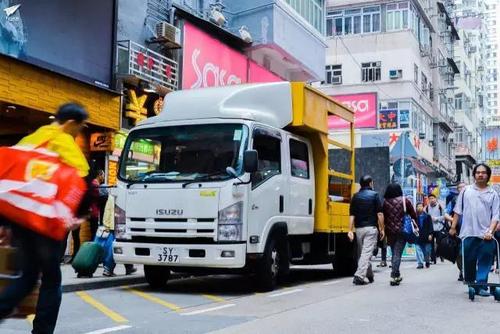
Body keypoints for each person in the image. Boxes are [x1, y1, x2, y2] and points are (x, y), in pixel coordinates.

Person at [0, 103, 89, 334]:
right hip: (46, 222)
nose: (79, 132)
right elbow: (83, 181)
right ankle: (42, 331)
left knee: (27, 276)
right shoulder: (64, 142)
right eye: (80, 127)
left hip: (20, 219)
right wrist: (78, 215)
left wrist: (5, 222)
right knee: (51, 279)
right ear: (70, 123)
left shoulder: (31, 139)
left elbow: (10, 179)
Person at [450, 163, 499, 297]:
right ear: (474, 175)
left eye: (483, 172)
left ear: (488, 175)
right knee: (469, 260)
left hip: (486, 235)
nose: (480, 174)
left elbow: (495, 215)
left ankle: (482, 285)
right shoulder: (466, 191)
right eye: (478, 172)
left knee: (485, 259)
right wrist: (453, 227)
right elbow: (457, 211)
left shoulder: (493, 193)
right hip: (468, 233)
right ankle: (472, 284)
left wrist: (490, 231)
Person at [348, 175, 385, 285]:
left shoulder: (355, 196)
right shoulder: (374, 195)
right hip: (371, 229)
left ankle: (369, 275)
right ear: (370, 183)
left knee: (363, 253)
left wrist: (350, 230)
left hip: (359, 229)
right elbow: (379, 213)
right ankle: (359, 276)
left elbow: (352, 215)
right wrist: (382, 229)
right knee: (366, 253)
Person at [382, 183, 417, 286]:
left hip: (390, 231)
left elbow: (382, 216)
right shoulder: (404, 201)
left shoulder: (385, 202)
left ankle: (396, 275)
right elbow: (413, 214)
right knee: (397, 254)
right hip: (402, 230)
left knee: (394, 252)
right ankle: (394, 276)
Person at [100, 193, 137, 277]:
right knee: (116, 247)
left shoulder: (112, 194)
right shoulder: (123, 194)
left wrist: (106, 223)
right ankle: (108, 269)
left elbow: (107, 210)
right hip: (120, 224)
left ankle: (129, 267)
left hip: (115, 224)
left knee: (123, 245)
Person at [445, 182, 467, 280]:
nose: (462, 189)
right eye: (460, 188)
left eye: (464, 187)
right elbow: (446, 214)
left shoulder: (475, 198)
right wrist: (453, 222)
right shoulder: (454, 200)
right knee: (460, 253)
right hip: (458, 231)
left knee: (471, 251)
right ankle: (462, 270)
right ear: (457, 190)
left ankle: (470, 270)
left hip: (474, 230)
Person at [425, 193, 445, 264]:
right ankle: (433, 258)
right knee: (431, 244)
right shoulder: (426, 208)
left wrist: (436, 218)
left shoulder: (440, 207)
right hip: (430, 229)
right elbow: (425, 217)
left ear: (435, 199)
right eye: (430, 199)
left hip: (439, 227)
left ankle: (441, 255)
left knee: (439, 243)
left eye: (432, 198)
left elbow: (444, 216)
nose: (431, 200)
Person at [415, 202, 433, 269]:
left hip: (426, 235)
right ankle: (420, 263)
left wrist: (430, 234)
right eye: (418, 206)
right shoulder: (414, 216)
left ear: (423, 207)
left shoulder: (427, 216)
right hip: (418, 236)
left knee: (427, 251)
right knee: (418, 249)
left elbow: (430, 226)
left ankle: (427, 261)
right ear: (416, 208)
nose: (419, 207)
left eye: (421, 206)